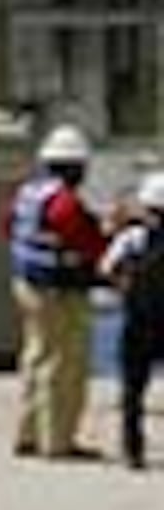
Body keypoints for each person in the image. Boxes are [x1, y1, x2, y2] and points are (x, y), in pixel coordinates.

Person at [10, 121, 109, 460]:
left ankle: (28, 433)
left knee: (35, 357)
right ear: (75, 167)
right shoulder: (65, 203)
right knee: (65, 364)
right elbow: (89, 244)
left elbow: (8, 227)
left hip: (27, 283)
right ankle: (57, 441)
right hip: (59, 290)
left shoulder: (27, 194)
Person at [106, 164, 164, 477]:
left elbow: (107, 268)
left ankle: (133, 450)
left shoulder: (132, 238)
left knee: (133, 390)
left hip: (137, 321)